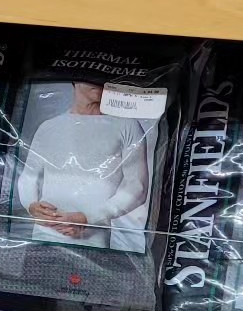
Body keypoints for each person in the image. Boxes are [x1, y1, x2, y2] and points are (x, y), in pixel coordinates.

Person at [15, 81, 151, 250]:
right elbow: (28, 176)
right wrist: (31, 206)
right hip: (43, 239)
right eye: (90, 77)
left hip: (94, 244)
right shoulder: (48, 127)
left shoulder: (126, 126)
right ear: (75, 80)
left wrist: (89, 218)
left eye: (103, 77)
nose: (98, 82)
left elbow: (137, 186)